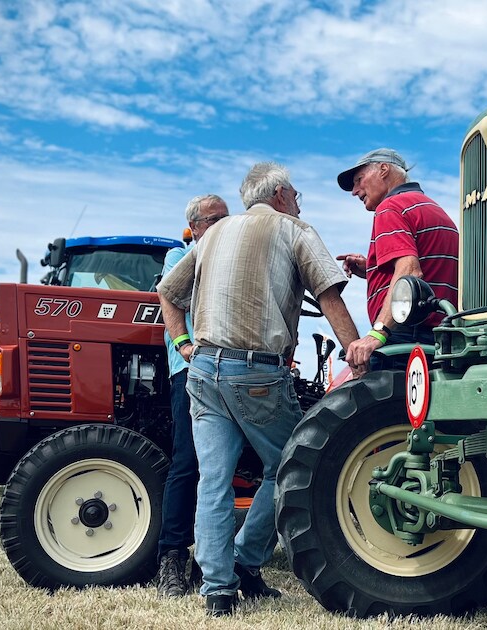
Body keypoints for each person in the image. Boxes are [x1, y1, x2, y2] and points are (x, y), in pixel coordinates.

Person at [156, 162, 364, 616]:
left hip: (203, 371)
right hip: (256, 373)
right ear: (281, 195)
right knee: (291, 464)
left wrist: (184, 344)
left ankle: (217, 589)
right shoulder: (294, 229)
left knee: (213, 480)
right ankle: (245, 560)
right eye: (296, 195)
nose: (298, 204)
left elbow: (168, 293)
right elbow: (329, 295)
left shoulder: (212, 234)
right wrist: (356, 353)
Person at [155, 194, 230, 598]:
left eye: (226, 218)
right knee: (188, 460)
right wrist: (184, 345)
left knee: (219, 467)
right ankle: (171, 558)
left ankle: (212, 560)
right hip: (191, 369)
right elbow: (171, 297)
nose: (222, 225)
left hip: (229, 369)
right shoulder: (180, 257)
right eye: (214, 220)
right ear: (195, 228)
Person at [335, 148, 459, 369]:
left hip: (405, 338)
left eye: (359, 180)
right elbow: (430, 270)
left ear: (384, 169)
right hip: (442, 338)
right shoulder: (434, 210)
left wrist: (378, 333)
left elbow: (410, 272)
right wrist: (373, 269)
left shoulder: (390, 207)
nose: (354, 191)